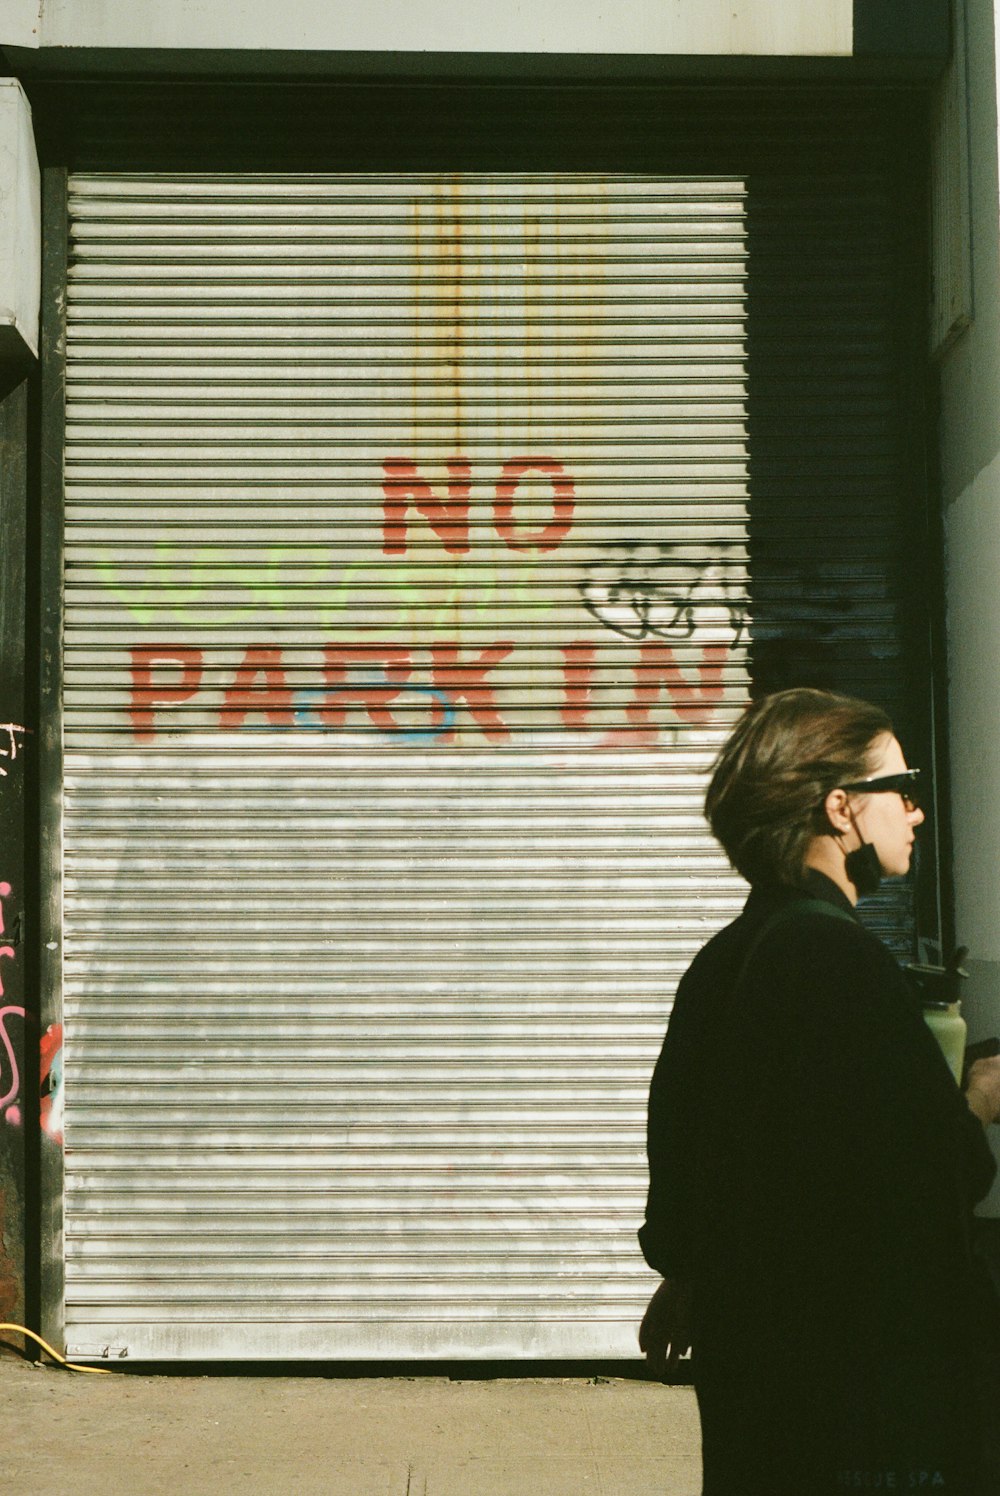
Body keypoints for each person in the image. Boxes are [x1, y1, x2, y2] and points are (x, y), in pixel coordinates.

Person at [637, 688, 1000, 1495]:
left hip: (757, 1384)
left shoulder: (725, 958)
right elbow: (936, 1174)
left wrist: (692, 1277)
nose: (916, 812)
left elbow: (690, 1161)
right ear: (841, 808)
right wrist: (976, 1097)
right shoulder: (838, 960)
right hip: (857, 1394)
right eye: (901, 789)